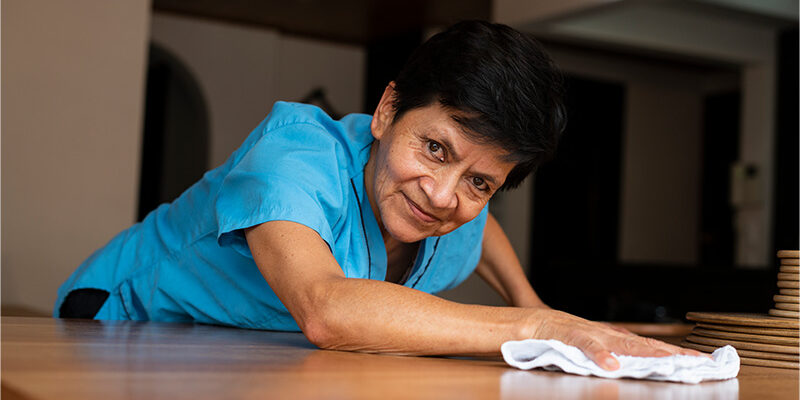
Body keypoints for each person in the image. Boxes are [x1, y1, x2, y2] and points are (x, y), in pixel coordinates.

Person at [55, 20, 701, 370]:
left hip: (234, 348)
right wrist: (536, 324)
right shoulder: (294, 153)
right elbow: (325, 310)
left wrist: (532, 297)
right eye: (435, 148)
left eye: (481, 183)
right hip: (116, 322)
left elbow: (480, 236)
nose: (443, 196)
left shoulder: (448, 217)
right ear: (390, 109)